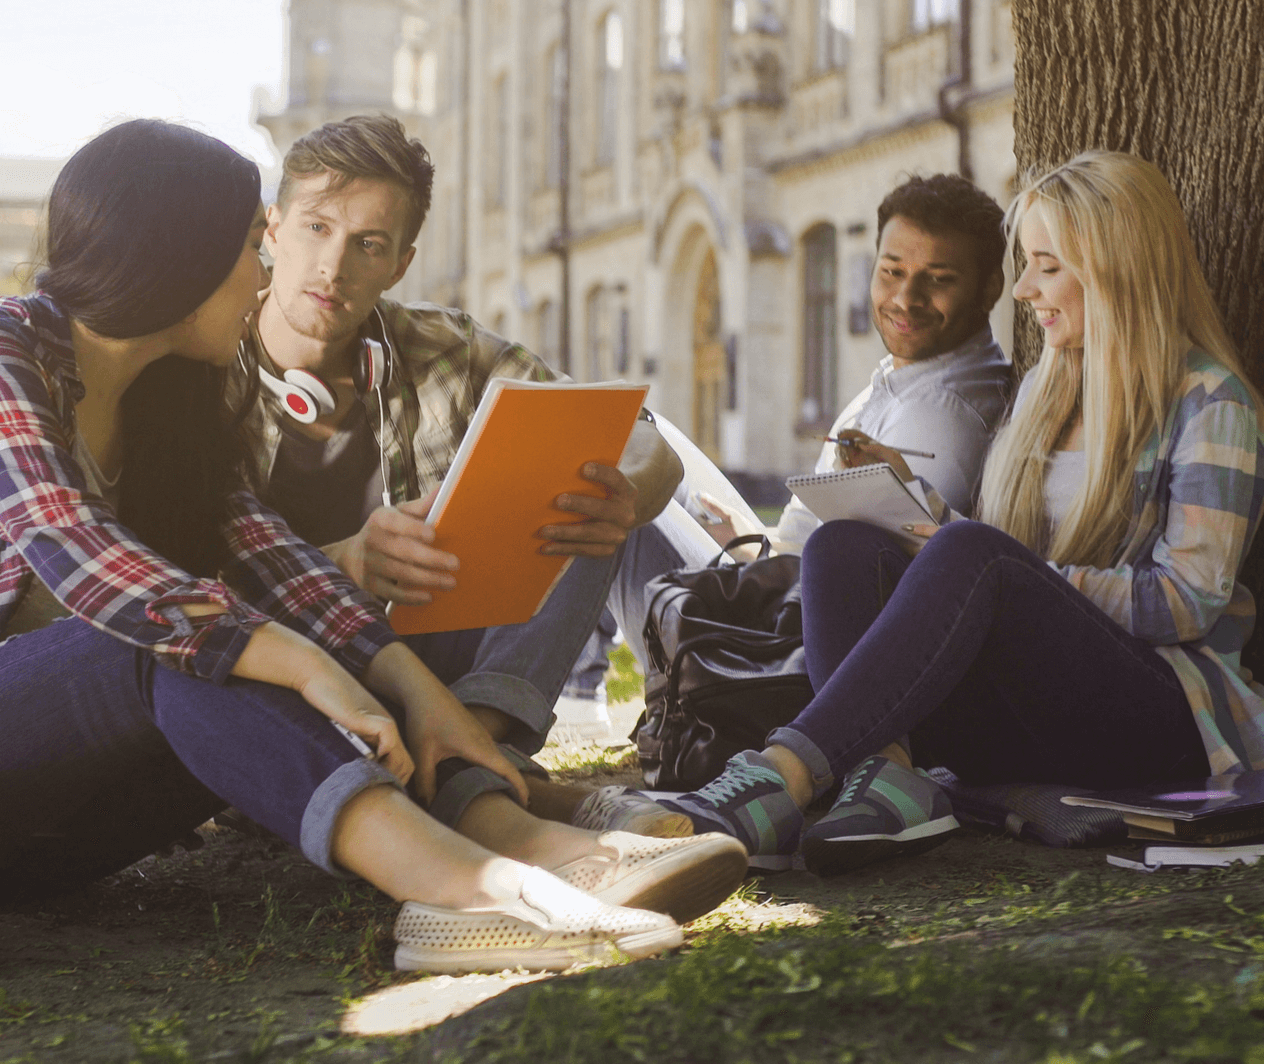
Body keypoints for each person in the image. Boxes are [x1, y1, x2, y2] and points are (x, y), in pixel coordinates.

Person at [0, 120, 747, 973]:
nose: (266, 272)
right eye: (256, 243)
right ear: (176, 253)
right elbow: (74, 545)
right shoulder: (12, 348)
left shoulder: (173, 402)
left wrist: (416, 693)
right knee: (169, 640)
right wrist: (301, 660)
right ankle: (472, 889)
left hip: (64, 838)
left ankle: (505, 828)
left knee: (256, 632)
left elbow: (276, 565)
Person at [658, 150, 1264, 876]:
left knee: (973, 552)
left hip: (1161, 718)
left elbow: (1189, 602)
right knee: (843, 545)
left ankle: (780, 777)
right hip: (1031, 708)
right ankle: (885, 781)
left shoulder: (1210, 402)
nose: (1027, 289)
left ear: (1113, 269)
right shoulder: (1048, 387)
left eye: (1047, 265)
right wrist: (920, 510)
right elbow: (995, 562)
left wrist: (1011, 570)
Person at [689, 173, 1013, 562]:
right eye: (892, 272)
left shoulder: (940, 416)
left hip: (776, 613)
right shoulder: (908, 378)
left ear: (991, 288)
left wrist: (753, 556)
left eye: (939, 279)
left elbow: (857, 589)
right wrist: (753, 539)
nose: (906, 299)